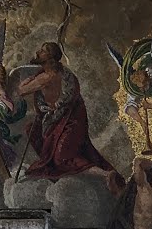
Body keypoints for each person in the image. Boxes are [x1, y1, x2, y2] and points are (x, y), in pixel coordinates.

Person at [15, 42, 117, 183]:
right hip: (62, 120)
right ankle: (66, 173)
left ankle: (105, 175)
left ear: (50, 58)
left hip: (67, 122)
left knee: (62, 158)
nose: (38, 52)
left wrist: (26, 81)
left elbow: (21, 91)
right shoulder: (63, 72)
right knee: (32, 130)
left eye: (43, 51)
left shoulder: (45, 77)